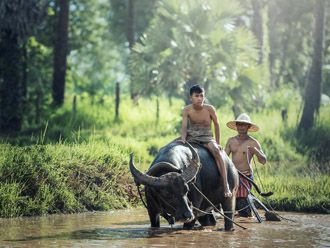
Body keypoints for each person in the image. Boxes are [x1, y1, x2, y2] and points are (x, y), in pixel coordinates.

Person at [181, 84, 232, 197]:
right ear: (191, 98)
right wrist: (183, 138)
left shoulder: (209, 109)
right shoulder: (186, 110)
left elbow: (217, 125)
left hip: (207, 137)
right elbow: (184, 127)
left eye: (201, 96)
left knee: (218, 153)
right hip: (192, 136)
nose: (199, 98)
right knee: (175, 147)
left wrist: (218, 143)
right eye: (196, 96)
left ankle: (226, 184)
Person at [225, 113, 267, 216]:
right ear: (236, 126)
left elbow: (263, 161)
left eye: (244, 125)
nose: (241, 127)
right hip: (233, 176)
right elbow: (224, 158)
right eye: (239, 124)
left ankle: (246, 215)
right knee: (229, 200)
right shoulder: (231, 141)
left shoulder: (253, 142)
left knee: (242, 203)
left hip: (246, 176)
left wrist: (256, 152)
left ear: (248, 127)